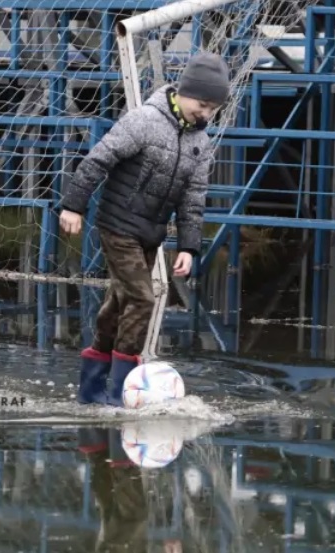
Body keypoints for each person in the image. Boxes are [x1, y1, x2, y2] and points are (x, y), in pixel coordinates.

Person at [59, 52, 231, 406]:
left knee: (118, 304)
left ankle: (91, 393)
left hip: (150, 233)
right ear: (183, 93)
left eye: (213, 108)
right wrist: (73, 206)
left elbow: (193, 197)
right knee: (142, 298)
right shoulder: (144, 121)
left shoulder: (201, 143)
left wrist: (188, 246)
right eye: (202, 104)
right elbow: (97, 160)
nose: (207, 114)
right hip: (117, 225)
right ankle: (125, 394)